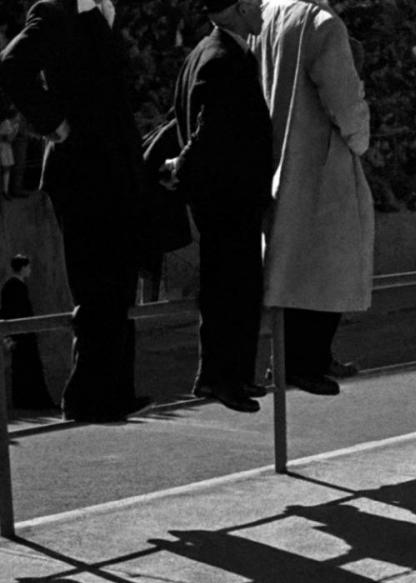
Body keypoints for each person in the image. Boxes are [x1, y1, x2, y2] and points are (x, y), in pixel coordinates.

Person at [0, 0, 150, 423]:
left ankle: (113, 391)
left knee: (116, 284)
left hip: (111, 169)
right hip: (83, 171)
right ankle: (87, 397)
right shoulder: (55, 10)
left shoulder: (102, 11)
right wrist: (54, 123)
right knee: (95, 284)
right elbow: (10, 66)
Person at [157, 0, 274, 414]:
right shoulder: (225, 58)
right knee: (235, 288)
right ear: (239, 8)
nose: (262, 7)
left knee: (222, 287)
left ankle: (221, 376)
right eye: (256, 2)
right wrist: (181, 164)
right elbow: (212, 128)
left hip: (218, 195)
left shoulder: (202, 54)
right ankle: (227, 379)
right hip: (231, 195)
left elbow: (185, 120)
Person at [253, 0, 374, 395]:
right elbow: (343, 98)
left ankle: (289, 358)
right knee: (332, 256)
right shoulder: (323, 23)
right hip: (320, 155)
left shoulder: (264, 14)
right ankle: (308, 360)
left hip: (273, 154)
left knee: (288, 260)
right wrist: (360, 139)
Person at [0, 254, 55, 410]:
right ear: (23, 267)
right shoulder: (15, 286)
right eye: (28, 267)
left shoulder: (12, 286)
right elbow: (15, 311)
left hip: (21, 333)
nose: (30, 270)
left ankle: (27, 401)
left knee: (24, 367)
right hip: (22, 334)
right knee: (28, 366)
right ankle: (33, 401)